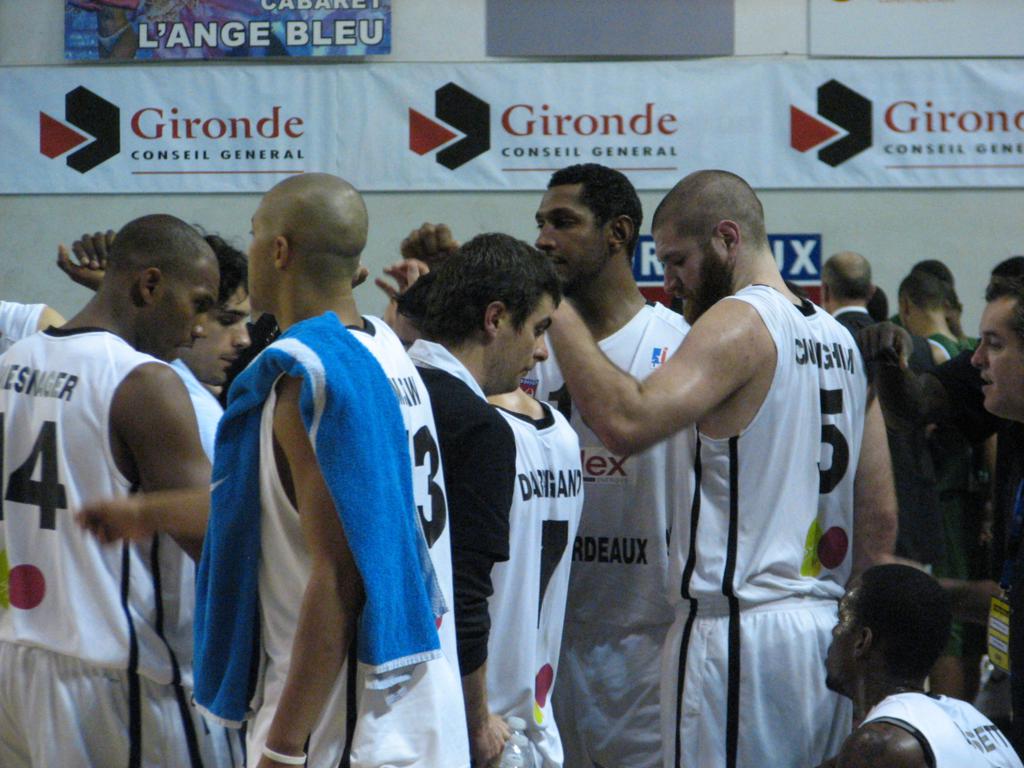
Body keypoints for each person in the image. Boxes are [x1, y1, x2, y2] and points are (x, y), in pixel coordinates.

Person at [545, 170, 897, 768]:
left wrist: (552, 304)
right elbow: (879, 525)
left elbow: (625, 422)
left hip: (739, 634)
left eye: (677, 260)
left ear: (727, 239)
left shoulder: (739, 320)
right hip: (827, 636)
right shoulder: (841, 341)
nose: (669, 281)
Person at [192, 174, 469, 768]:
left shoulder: (311, 376)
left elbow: (341, 575)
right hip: (416, 703)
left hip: (344, 720)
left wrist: (283, 748)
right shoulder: (386, 348)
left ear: (279, 250)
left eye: (254, 235)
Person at [0, 214, 225, 767]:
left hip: (17, 661)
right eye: (199, 304)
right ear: (149, 285)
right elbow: (218, 543)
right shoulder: (145, 382)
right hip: (118, 675)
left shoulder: (10, 362)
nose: (200, 328)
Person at [532, 163, 690, 768]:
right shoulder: (526, 347)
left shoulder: (683, 344)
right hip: (548, 636)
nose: (544, 239)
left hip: (648, 639)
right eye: (540, 224)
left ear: (618, 232)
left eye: (563, 222)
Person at [398, 233, 562, 766]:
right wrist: (477, 722)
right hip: (435, 708)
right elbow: (466, 595)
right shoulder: (482, 427)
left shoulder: (389, 382)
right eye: (538, 329)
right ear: (495, 319)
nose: (542, 351)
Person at [820, 563, 1023, 767]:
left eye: (841, 620)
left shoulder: (881, 743)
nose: (833, 632)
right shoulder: (965, 716)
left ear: (862, 641)